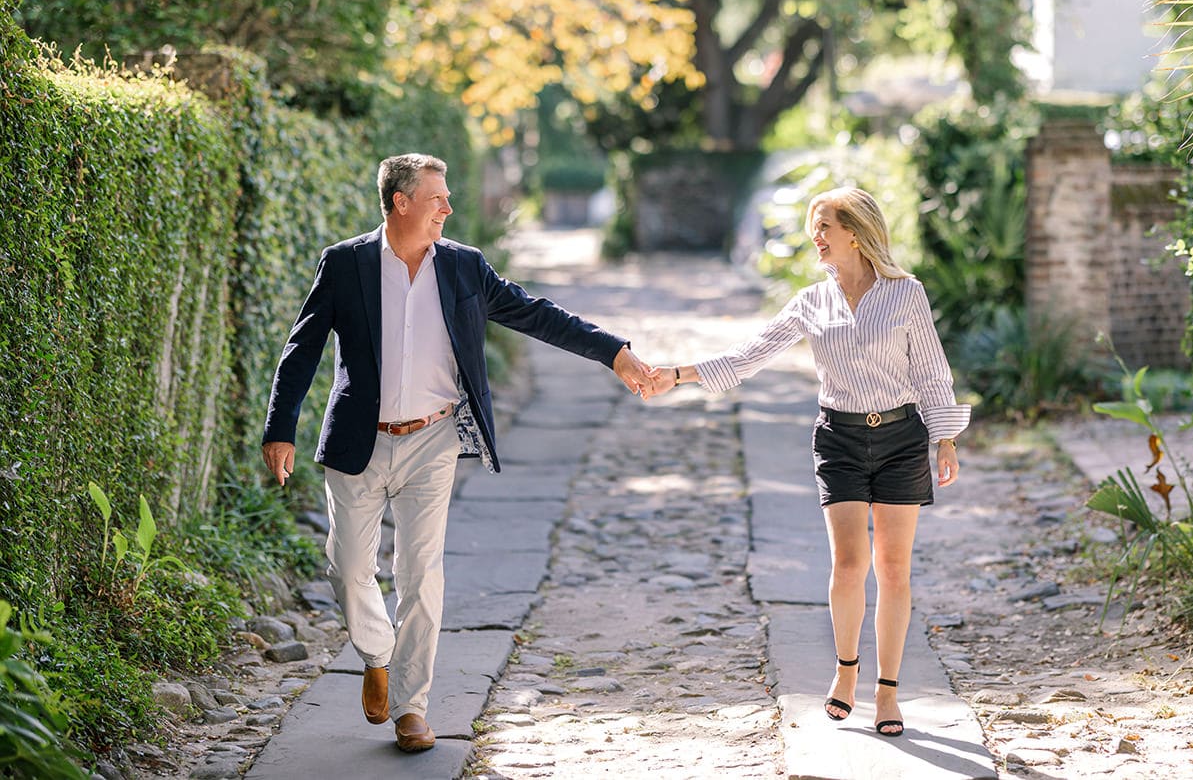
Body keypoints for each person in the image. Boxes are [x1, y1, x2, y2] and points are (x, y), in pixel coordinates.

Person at [261, 153, 655, 753]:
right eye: (437, 197)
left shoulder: (466, 268)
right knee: (347, 568)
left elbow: (535, 313)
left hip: (432, 439)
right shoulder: (347, 264)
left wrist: (613, 351)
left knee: (421, 576)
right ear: (401, 202)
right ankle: (377, 656)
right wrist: (279, 427)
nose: (448, 206)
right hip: (357, 442)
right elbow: (303, 346)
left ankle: (412, 708)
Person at [647, 186, 968, 737]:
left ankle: (888, 691)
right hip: (838, 439)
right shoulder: (811, 302)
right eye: (813, 227)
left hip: (900, 440)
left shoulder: (906, 293)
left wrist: (944, 438)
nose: (813, 237)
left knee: (893, 569)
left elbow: (932, 373)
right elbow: (749, 356)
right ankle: (846, 674)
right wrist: (678, 374)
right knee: (848, 564)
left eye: (823, 226)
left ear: (855, 232)